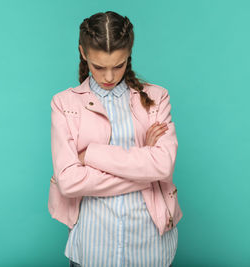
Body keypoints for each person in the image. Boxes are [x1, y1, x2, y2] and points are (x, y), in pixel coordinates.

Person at [48, 11, 183, 267]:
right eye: (99, 67)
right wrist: (145, 171)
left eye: (118, 65)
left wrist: (91, 156)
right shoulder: (64, 104)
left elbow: (163, 166)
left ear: (129, 54)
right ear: (83, 53)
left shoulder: (157, 98)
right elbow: (68, 182)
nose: (109, 77)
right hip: (91, 246)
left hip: (150, 245)